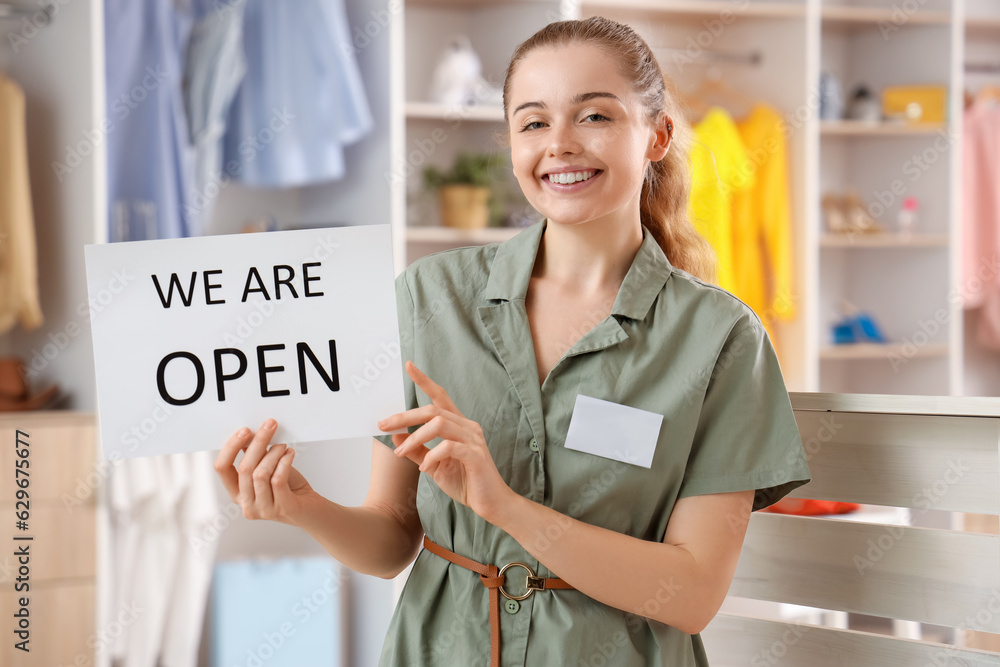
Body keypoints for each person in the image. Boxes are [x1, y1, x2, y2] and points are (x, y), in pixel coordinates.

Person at [214, 15, 811, 667]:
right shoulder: (428, 298)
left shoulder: (721, 339)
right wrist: (303, 506)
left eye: (595, 117)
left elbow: (692, 592)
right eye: (533, 122)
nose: (559, 144)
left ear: (657, 135)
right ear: (511, 144)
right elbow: (389, 541)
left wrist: (505, 507)